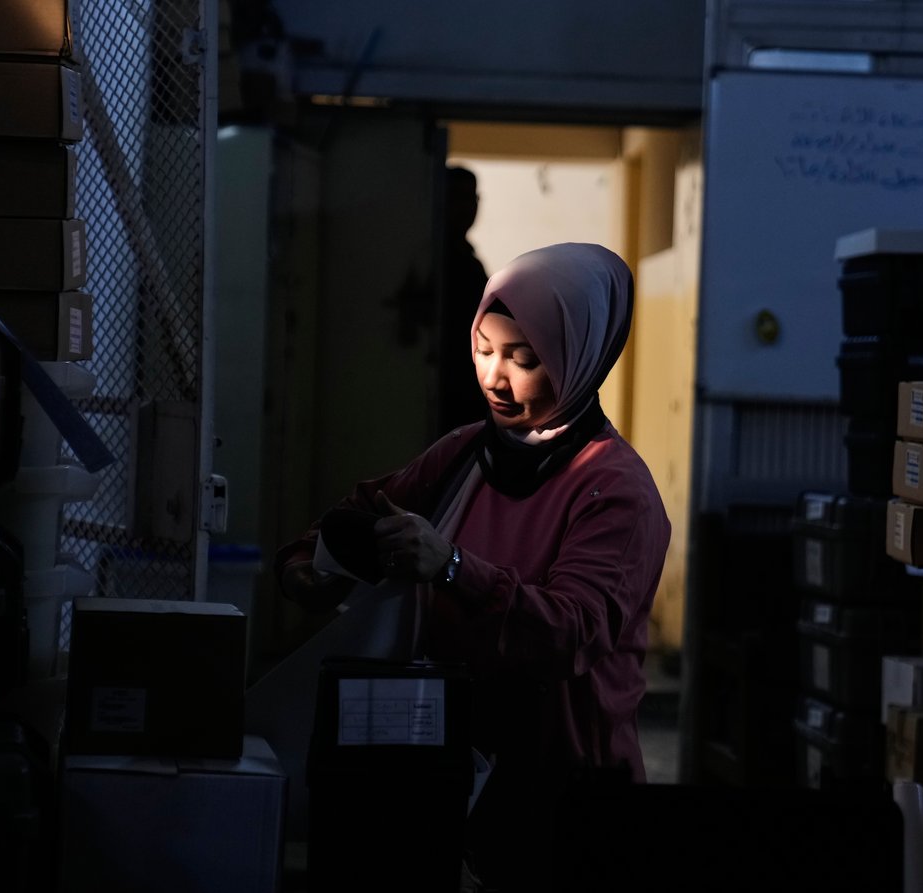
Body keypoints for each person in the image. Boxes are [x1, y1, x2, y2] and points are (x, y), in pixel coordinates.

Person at [275, 242, 671, 891]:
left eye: (524, 357)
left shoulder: (614, 490)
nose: (495, 376)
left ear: (581, 356)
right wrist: (306, 569)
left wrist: (453, 564)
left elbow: (569, 631)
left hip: (563, 796)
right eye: (484, 348)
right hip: (443, 770)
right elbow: (354, 515)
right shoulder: (466, 455)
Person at [438, 166, 492, 432]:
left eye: (471, 198)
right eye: (456, 197)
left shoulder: (468, 261)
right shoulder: (431, 258)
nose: (466, 207)